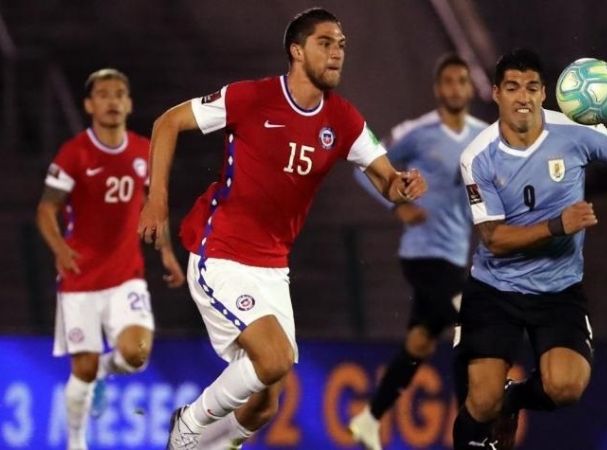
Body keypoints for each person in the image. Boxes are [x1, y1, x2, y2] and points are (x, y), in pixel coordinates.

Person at [137, 8, 427, 450]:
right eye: (325, 43)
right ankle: (189, 426)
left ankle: (209, 446)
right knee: (273, 359)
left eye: (341, 45)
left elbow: (386, 177)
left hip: (273, 266)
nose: (336, 54)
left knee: (264, 404)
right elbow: (168, 122)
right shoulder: (251, 98)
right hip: (221, 252)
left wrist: (402, 185)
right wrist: (156, 199)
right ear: (297, 50)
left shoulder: (344, 120)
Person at [451, 49, 607, 450]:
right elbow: (494, 239)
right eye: (513, 88)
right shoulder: (478, 156)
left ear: (545, 93)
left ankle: (514, 399)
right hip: (495, 291)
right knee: (482, 401)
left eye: (532, 88)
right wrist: (558, 225)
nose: (523, 97)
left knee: (566, 388)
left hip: (558, 292)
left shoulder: (573, 131)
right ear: (496, 93)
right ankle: (496, 405)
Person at [36, 68, 185, 450]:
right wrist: (59, 248)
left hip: (125, 276)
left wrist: (166, 251)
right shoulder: (75, 153)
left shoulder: (142, 151)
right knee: (81, 370)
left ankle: (107, 368)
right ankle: (76, 443)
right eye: (103, 94)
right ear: (89, 105)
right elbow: (46, 210)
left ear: (129, 103)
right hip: (80, 278)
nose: (113, 100)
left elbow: (155, 207)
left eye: (120, 93)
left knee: (136, 354)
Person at [348, 53, 487, 450]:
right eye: (449, 82)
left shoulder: (483, 136)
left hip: (457, 254)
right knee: (469, 325)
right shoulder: (418, 132)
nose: (456, 89)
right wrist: (397, 204)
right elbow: (365, 167)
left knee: (420, 343)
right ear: (438, 88)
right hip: (422, 256)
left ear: (468, 88)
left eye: (463, 82)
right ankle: (470, 436)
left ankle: (370, 418)